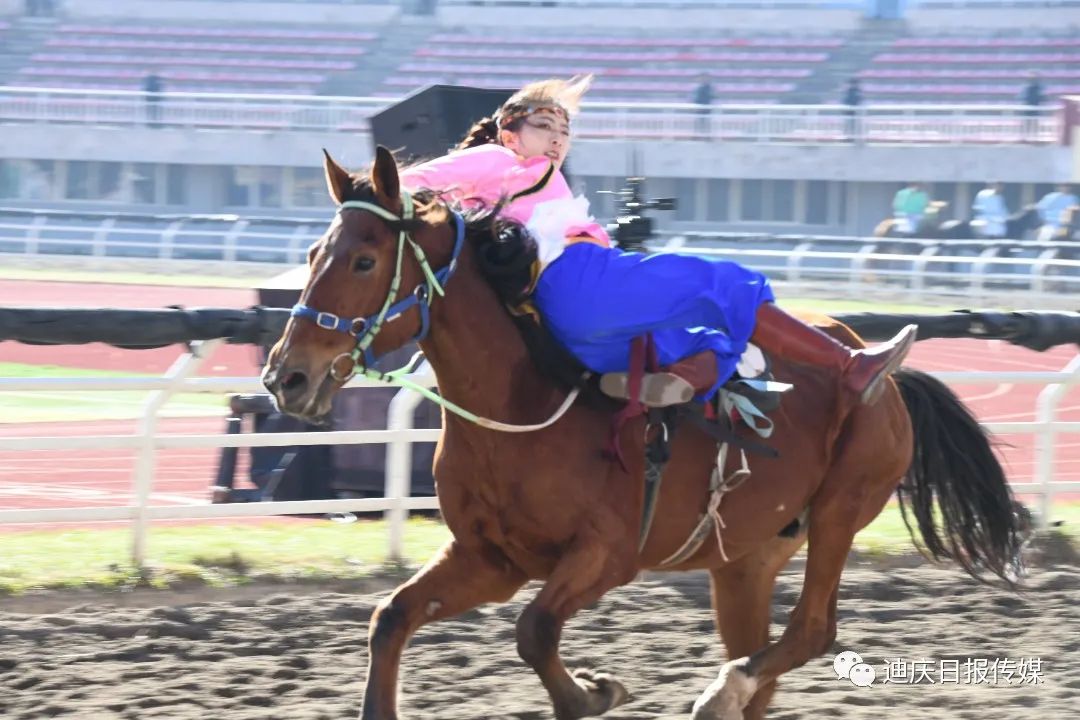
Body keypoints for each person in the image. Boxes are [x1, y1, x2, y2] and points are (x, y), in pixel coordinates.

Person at [398, 76, 915, 409]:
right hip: (581, 278)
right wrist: (368, 189)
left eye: (565, 131)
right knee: (729, 283)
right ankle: (851, 366)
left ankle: (664, 381)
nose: (557, 138)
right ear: (510, 134)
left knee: (709, 340)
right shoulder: (499, 159)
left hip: (571, 322)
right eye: (544, 126)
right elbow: (408, 182)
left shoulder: (526, 175)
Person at [842, 77, 863, 143]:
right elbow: (845, 100)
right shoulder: (848, 91)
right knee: (848, 124)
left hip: (856, 111)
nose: (853, 85)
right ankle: (848, 138)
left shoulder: (858, 91)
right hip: (848, 111)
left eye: (854, 83)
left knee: (855, 125)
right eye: (852, 83)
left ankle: (855, 138)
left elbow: (859, 100)